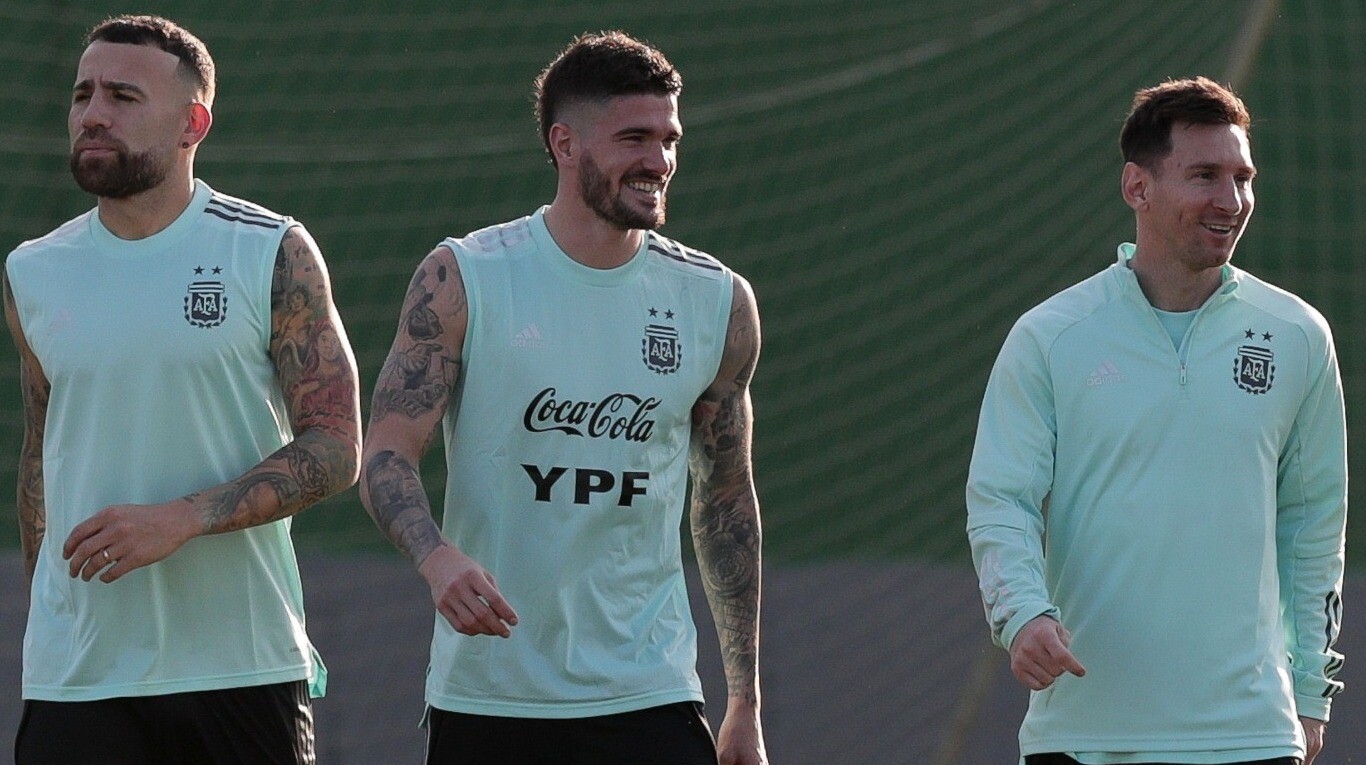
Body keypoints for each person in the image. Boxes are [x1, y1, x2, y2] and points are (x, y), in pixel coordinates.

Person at [360, 30, 767, 765]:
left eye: (670, 138)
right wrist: (437, 558)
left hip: (650, 692)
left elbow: (726, 501)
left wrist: (745, 700)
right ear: (564, 143)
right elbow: (386, 452)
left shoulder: (716, 301)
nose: (659, 160)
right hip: (489, 693)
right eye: (634, 137)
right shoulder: (465, 276)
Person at [3, 15, 361, 764]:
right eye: (82, 93)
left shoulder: (269, 249)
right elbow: (41, 453)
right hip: (79, 680)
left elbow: (335, 446)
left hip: (240, 668)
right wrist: (50, 623)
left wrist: (184, 517)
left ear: (192, 123)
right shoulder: (32, 270)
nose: (93, 114)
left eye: (124, 96)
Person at [966, 76, 1346, 765]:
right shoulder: (1051, 335)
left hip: (1252, 736)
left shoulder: (1298, 334)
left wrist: (1311, 690)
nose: (1230, 201)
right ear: (1136, 188)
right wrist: (1021, 612)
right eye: (1204, 175)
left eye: (1242, 177)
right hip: (1084, 737)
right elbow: (1001, 501)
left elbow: (1315, 521)